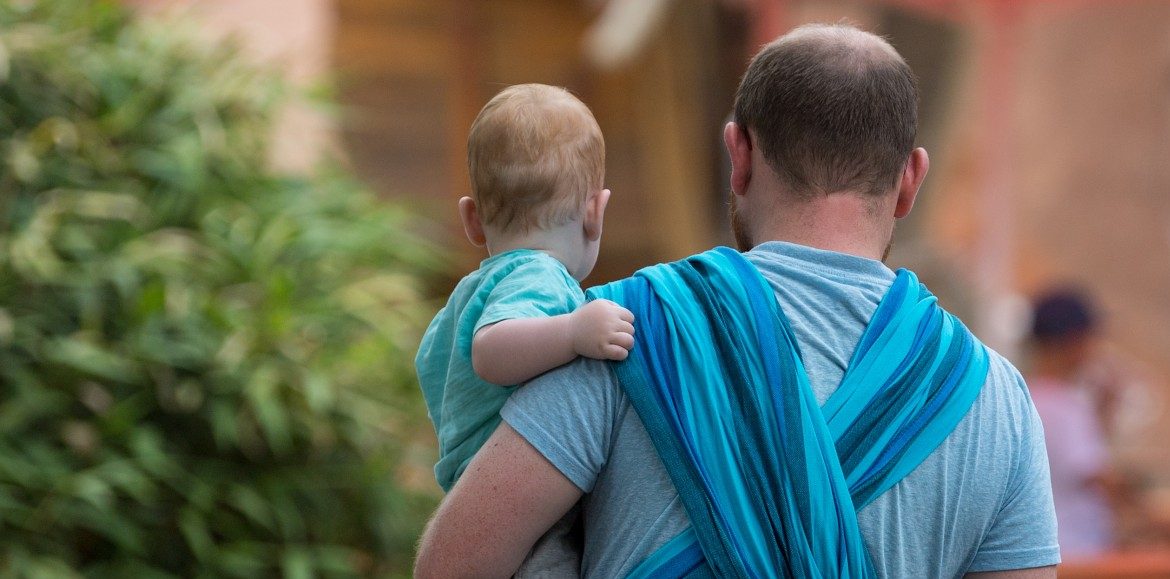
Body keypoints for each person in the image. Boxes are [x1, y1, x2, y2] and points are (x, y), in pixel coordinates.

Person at [416, 24, 1059, 578]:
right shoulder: (996, 398)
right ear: (911, 178)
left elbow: (454, 565)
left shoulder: (623, 329)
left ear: (739, 155)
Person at [414, 83, 634, 491]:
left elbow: (430, 362)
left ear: (472, 219)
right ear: (595, 213)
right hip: (513, 489)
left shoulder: (472, 293)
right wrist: (573, 332)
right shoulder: (540, 276)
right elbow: (490, 350)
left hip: (479, 486)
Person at [1026, 288, 1119, 558]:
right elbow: (1098, 477)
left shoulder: (1025, 396)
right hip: (1079, 553)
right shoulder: (1065, 405)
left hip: (1046, 549)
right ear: (1072, 341)